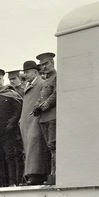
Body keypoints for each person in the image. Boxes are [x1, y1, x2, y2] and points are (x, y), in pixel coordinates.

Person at [20, 61, 50, 185]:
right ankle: (30, 174)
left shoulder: (42, 84)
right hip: (27, 122)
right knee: (30, 148)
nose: (25, 75)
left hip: (35, 120)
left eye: (27, 72)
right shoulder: (28, 86)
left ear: (35, 72)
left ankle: (36, 174)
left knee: (36, 147)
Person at [35, 52, 57, 185]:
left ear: (52, 63)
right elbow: (41, 97)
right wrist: (36, 107)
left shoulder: (57, 77)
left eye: (46, 64)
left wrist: (43, 107)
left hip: (53, 117)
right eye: (42, 65)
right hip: (44, 119)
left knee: (54, 146)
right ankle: (52, 174)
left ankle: (55, 175)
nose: (44, 67)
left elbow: (55, 94)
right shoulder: (45, 81)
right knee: (49, 147)